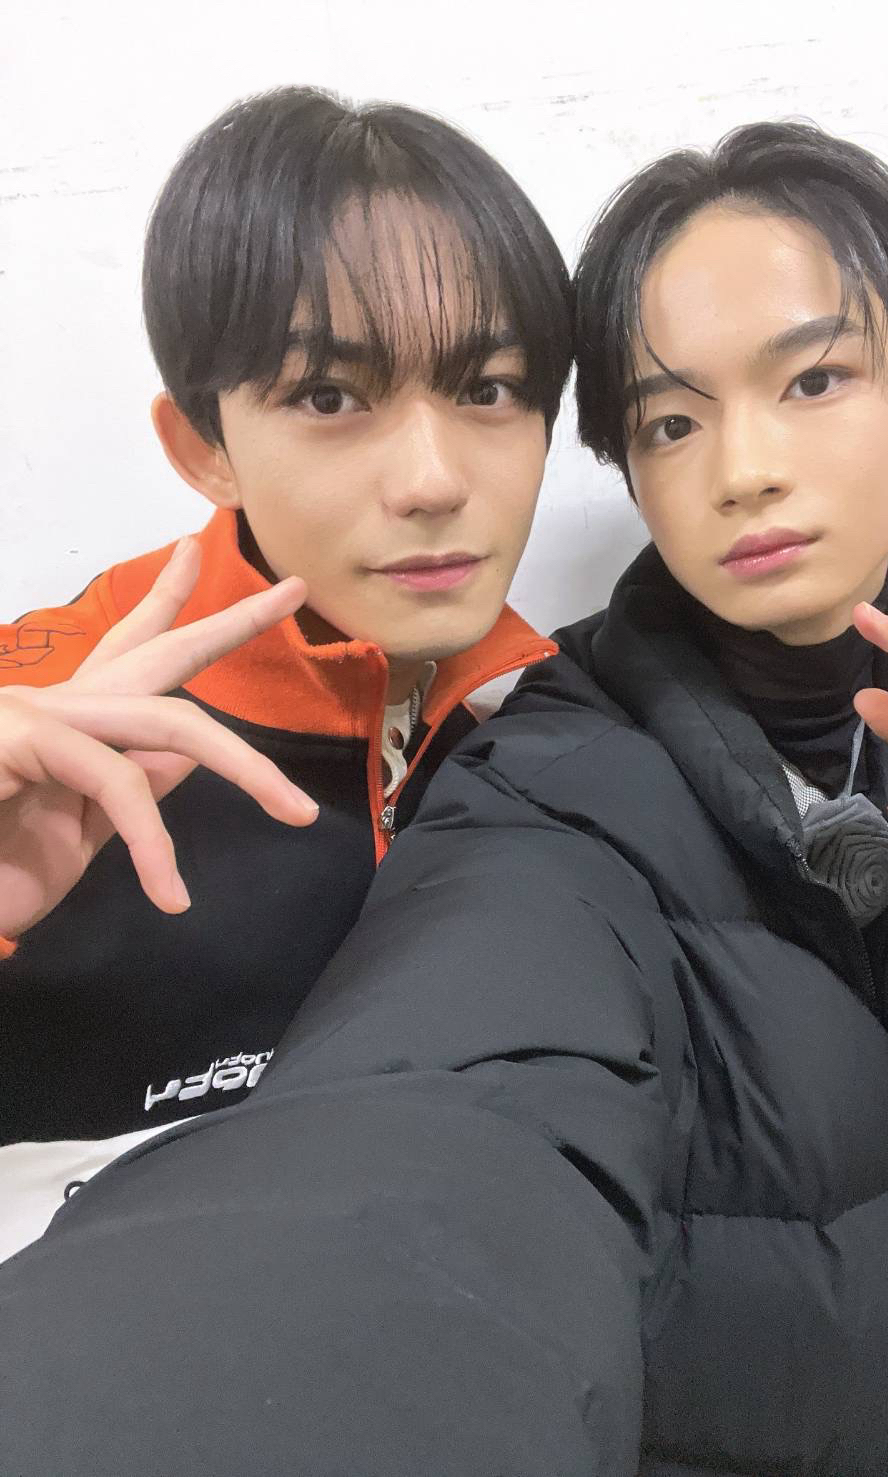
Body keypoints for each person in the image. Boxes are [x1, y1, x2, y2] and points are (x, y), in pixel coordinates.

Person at [1, 122, 888, 1477]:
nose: (745, 468)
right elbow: (457, 1097)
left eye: (814, 378)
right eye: (672, 419)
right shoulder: (547, 758)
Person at [0, 84, 569, 1246]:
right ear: (203, 445)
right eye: (328, 395)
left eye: (489, 388)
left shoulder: (559, 720)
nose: (432, 479)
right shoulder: (41, 717)